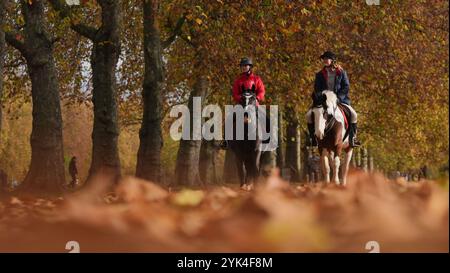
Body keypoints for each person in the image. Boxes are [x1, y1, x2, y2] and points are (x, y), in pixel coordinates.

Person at [305, 51, 361, 147]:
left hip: (340, 100)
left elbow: (346, 87)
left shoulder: (341, 73)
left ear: (333, 60)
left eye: (327, 58)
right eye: (324, 59)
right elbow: (317, 88)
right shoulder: (319, 74)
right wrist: (320, 98)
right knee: (308, 115)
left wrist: (339, 98)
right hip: (324, 101)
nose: (325, 60)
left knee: (354, 114)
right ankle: (312, 138)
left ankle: (352, 138)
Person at [220, 57, 266, 149]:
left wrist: (257, 98)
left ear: (250, 67)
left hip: (254, 105)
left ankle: (267, 141)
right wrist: (240, 97)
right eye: (242, 66)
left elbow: (262, 91)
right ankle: (226, 141)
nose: (244, 67)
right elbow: (235, 93)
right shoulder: (238, 80)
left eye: (246, 65)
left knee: (265, 119)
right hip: (241, 105)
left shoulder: (257, 79)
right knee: (229, 119)